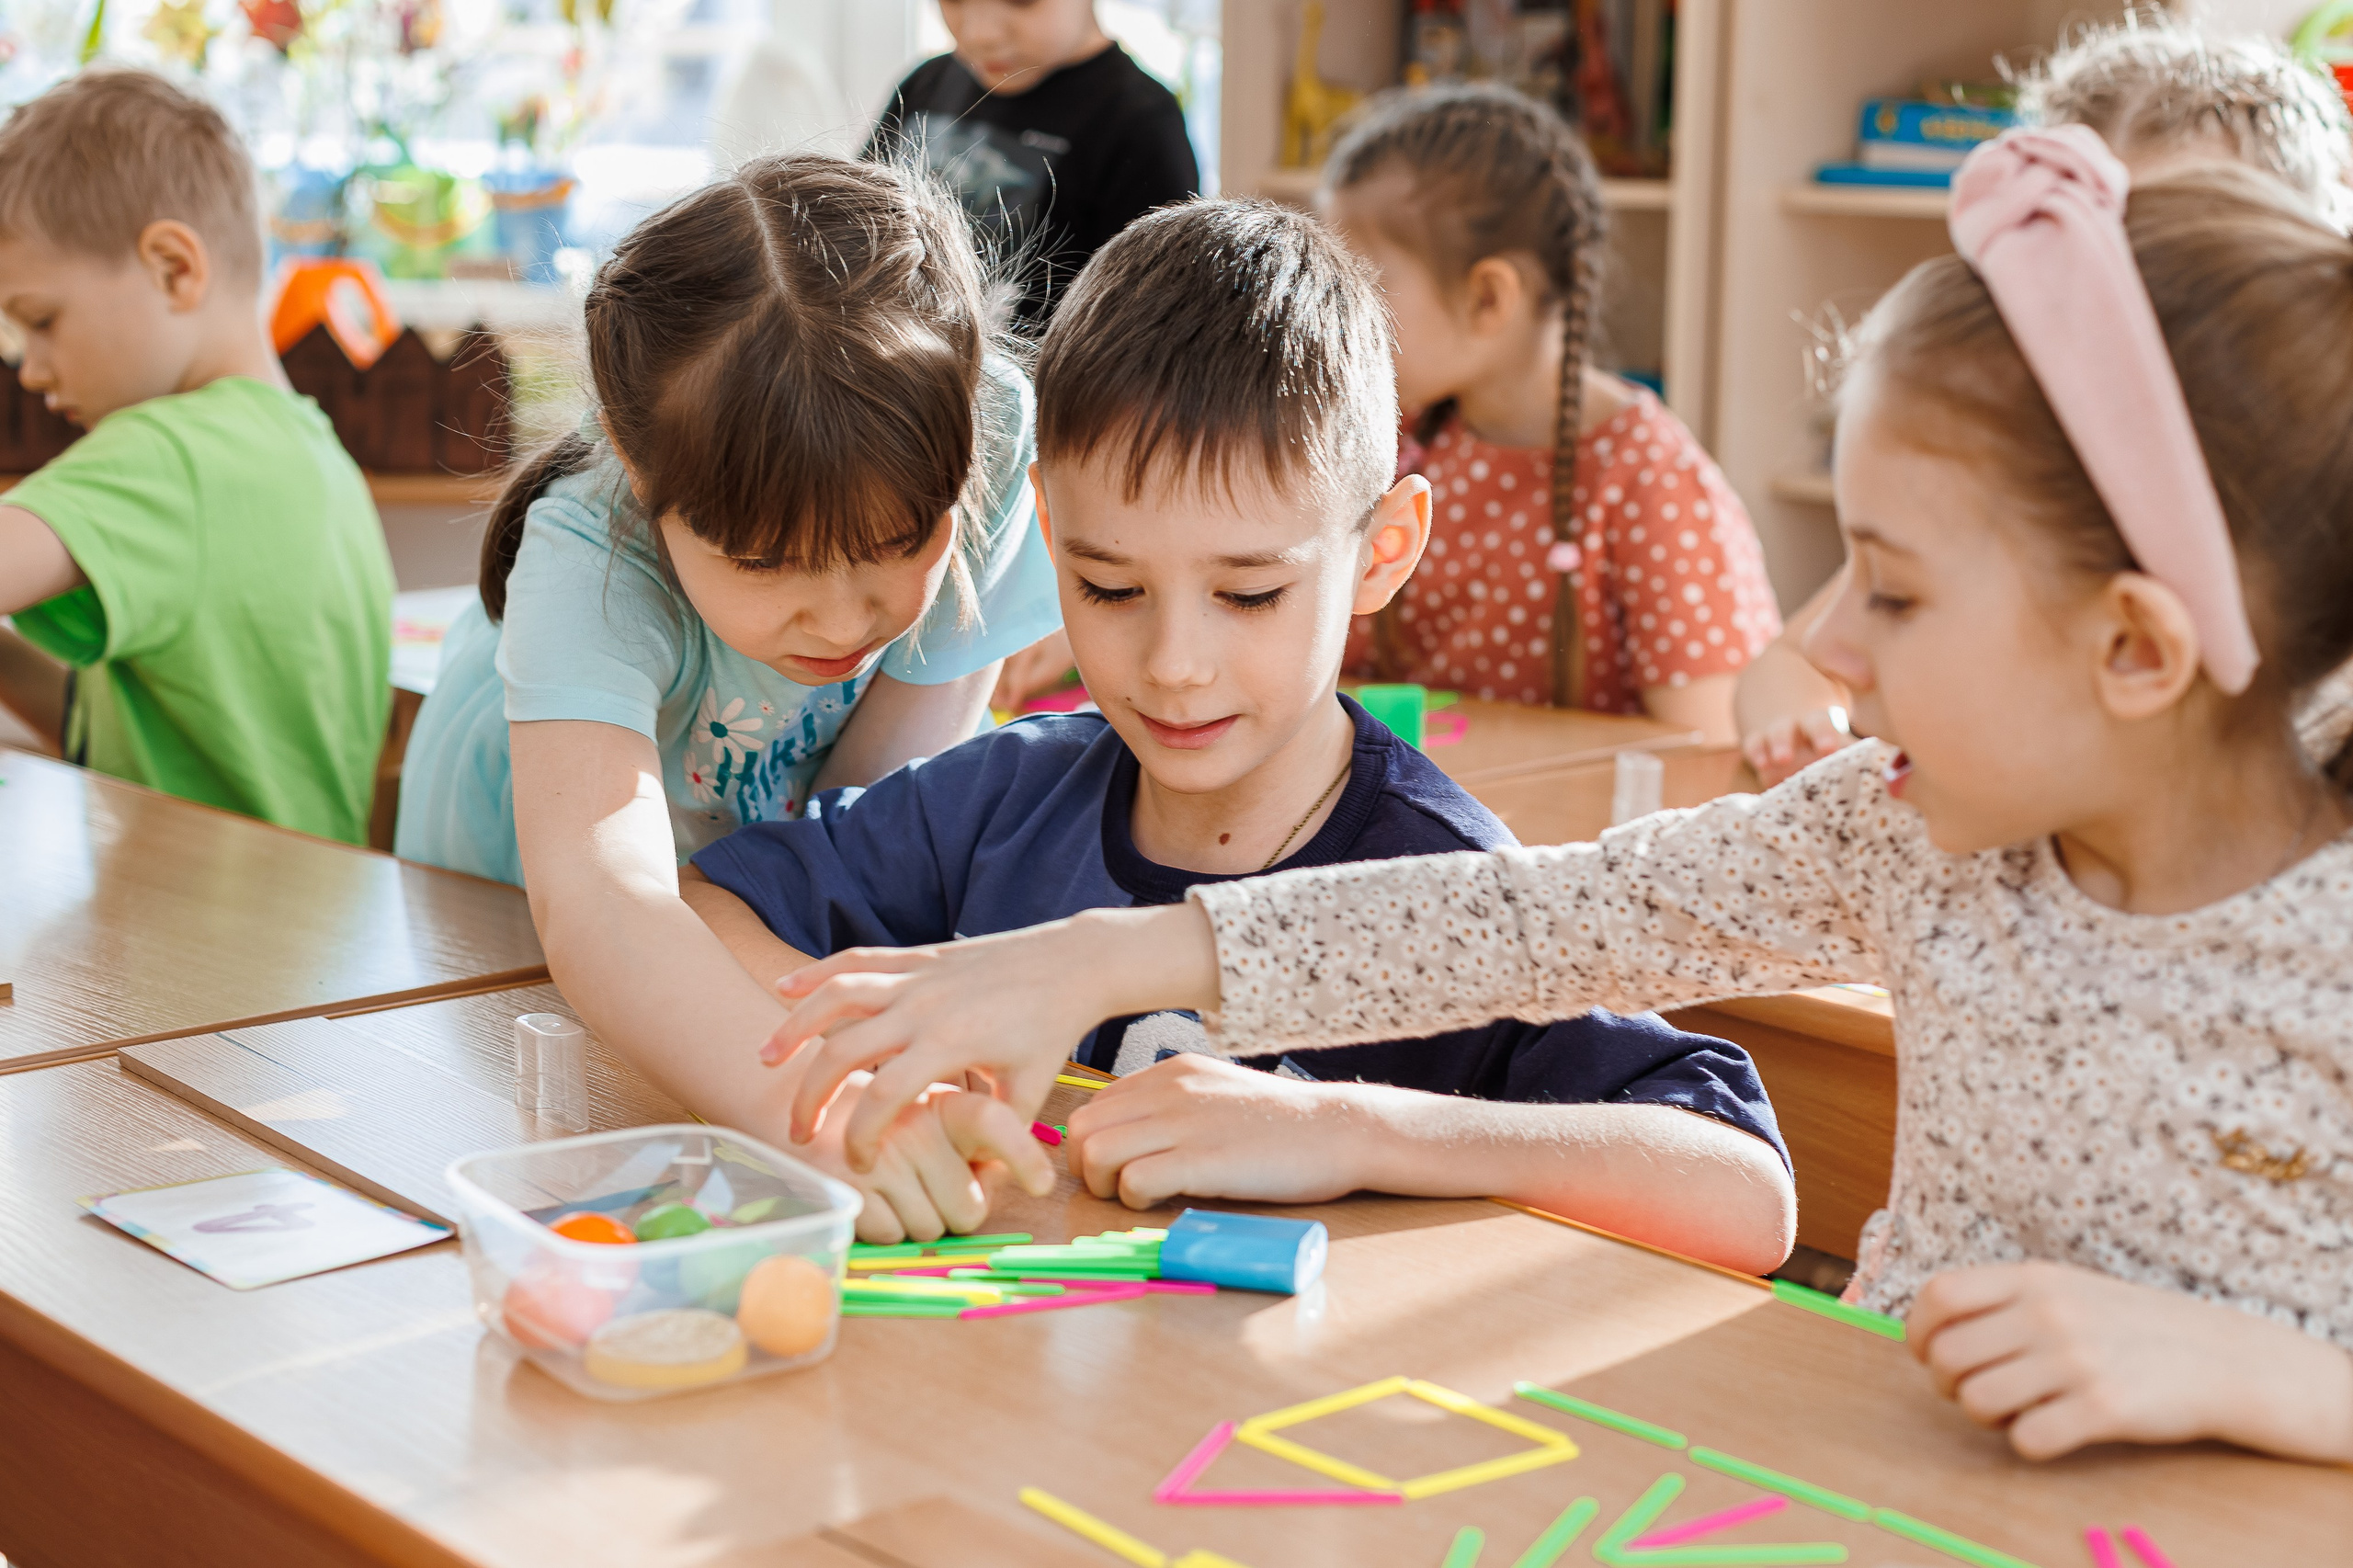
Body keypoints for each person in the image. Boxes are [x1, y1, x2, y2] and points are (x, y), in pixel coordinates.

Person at [769, 140, 2353, 1467]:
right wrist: (1117, 961)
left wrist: (2254, 1375)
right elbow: (1526, 920)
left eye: (1893, 589)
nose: (1823, 649)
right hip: (1888, 1490)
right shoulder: (1892, 825)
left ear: (2136, 647)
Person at [686, 199, 1793, 1271]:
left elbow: (1744, 1190)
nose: (1172, 663)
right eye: (1108, 586)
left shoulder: (1442, 876)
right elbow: (713, 905)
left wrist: (1356, 1131)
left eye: (1250, 593)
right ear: (1047, 527)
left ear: (1382, 547)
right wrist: (876, 1084)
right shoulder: (1004, 799)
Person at [395, 153, 1061, 1241]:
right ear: (632, 460)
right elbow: (606, 906)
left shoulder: (985, 423)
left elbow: (867, 835)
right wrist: (813, 1111)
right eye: (765, 563)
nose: (846, 620)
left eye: (899, 543)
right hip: (521, 896)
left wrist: (867, 1064)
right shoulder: (586, 542)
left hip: (741, 892)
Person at [1736, 18, 2353, 786]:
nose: (2127, 304)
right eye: (2084, 254)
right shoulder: (2025, 474)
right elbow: (1794, 661)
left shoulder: (2319, 500)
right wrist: (1806, 731)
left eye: (2181, 257)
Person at [0, 70, 392, 844]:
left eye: (40, 320)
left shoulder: (171, 452)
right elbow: (162, 735)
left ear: (174, 268)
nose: (31, 369)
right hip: (306, 928)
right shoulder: (308, 454)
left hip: (201, 945)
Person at [1324, 84, 1779, 740]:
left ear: (1488, 297)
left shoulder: (1649, 481)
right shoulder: (1389, 440)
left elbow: (1707, 750)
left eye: (1364, 284)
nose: (1338, 316)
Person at [869, 0, 1199, 329]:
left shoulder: (1140, 122)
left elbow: (1151, 321)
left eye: (1021, 2)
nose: (981, 34)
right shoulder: (926, 82)